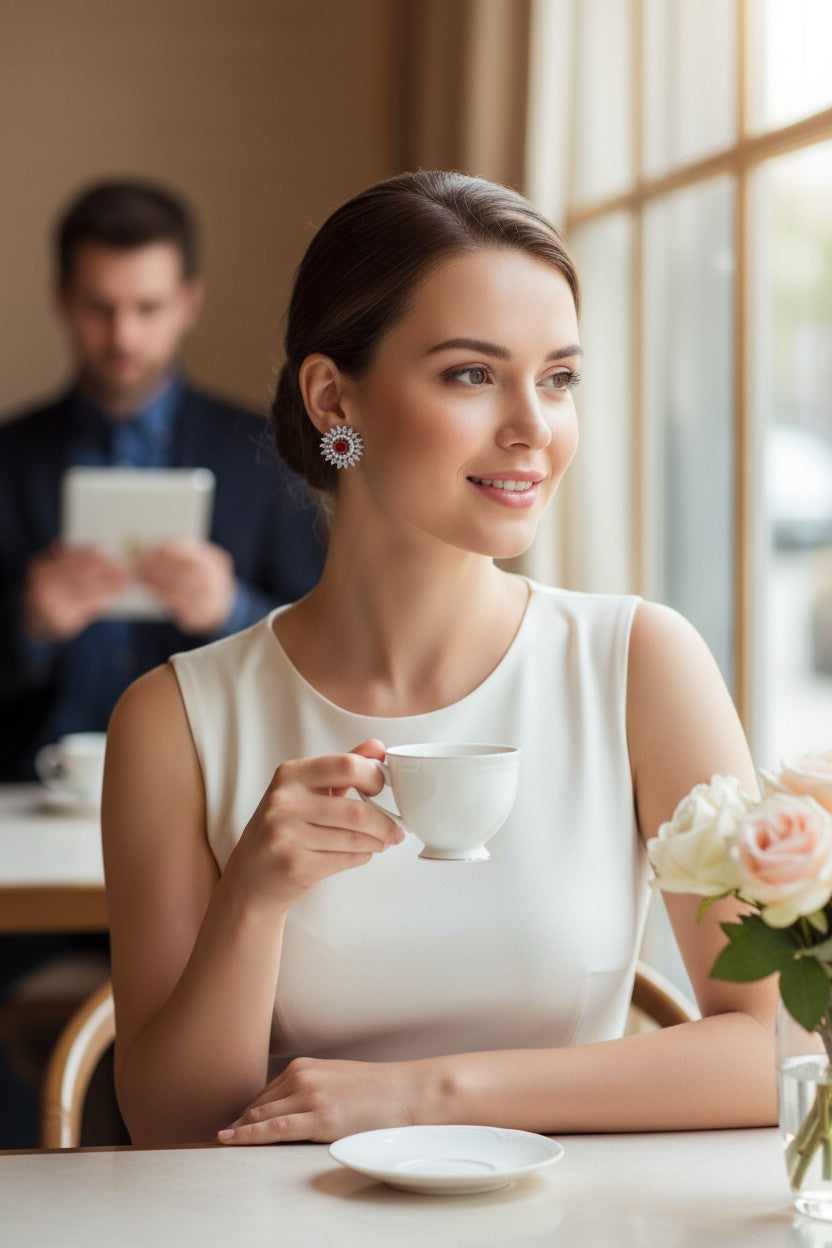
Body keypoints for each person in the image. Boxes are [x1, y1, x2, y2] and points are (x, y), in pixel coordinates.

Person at [102, 170, 777, 1147]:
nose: (533, 428)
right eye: (472, 374)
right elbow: (172, 1128)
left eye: (558, 377)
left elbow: (781, 1046)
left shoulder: (638, 665)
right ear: (333, 397)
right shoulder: (174, 722)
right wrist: (251, 898)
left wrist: (426, 1095)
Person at [0, 179, 325, 782]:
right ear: (62, 299)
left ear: (188, 304)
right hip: (28, 786)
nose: (123, 336)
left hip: (214, 781)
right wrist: (27, 624)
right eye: (99, 307)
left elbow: (331, 641)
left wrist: (233, 610)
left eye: (147, 308)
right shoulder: (8, 457)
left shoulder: (266, 451)